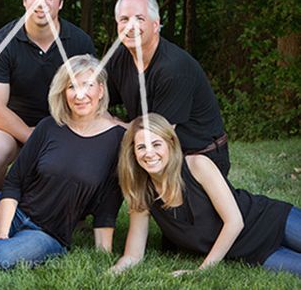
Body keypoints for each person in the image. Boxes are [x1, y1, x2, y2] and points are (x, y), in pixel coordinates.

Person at [0, 54, 124, 269]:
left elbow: (109, 202)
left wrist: (103, 253)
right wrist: (2, 232)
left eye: (88, 85)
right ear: (63, 92)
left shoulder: (116, 140)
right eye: (71, 87)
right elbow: (14, 182)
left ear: (101, 90)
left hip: (49, 234)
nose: (80, 95)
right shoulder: (49, 127)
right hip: (14, 210)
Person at [110, 113, 300, 277]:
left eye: (156, 144)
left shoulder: (197, 165)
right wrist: (111, 273)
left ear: (171, 143)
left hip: (270, 219)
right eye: (141, 147)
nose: (149, 153)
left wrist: (203, 270)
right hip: (251, 252)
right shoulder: (142, 192)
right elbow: (133, 255)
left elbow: (235, 221)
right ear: (133, 153)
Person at [0, 0, 95, 197]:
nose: (41, 2)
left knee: (80, 154)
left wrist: (54, 134)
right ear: (24, 0)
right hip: (9, 125)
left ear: (60, 2)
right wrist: (32, 136)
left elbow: (88, 99)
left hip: (61, 122)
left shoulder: (79, 43)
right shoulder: (1, 42)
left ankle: (72, 214)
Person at [106, 0, 230, 176]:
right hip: (157, 154)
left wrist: (111, 123)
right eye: (124, 19)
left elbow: (156, 136)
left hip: (199, 159)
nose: (130, 26)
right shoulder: (121, 57)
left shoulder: (173, 68)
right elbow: (97, 97)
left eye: (139, 18)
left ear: (156, 25)